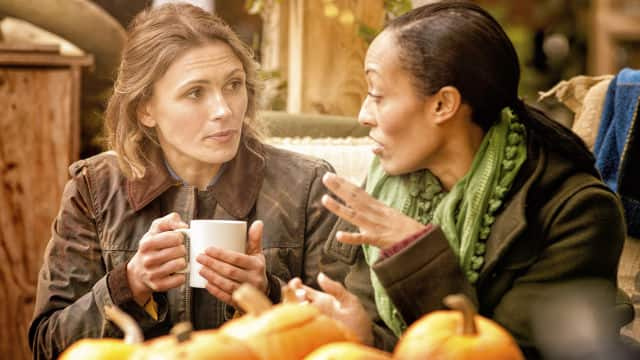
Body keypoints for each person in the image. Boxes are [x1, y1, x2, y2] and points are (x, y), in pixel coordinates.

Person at [288, 1, 627, 357]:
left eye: (377, 95)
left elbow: (507, 353)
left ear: (443, 105)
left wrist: (415, 255)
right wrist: (365, 337)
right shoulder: (389, 188)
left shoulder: (577, 213)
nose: (363, 115)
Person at [28, 4, 336, 358]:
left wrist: (269, 293)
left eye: (234, 85)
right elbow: (47, 345)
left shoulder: (310, 186)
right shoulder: (94, 190)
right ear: (146, 109)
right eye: (195, 93)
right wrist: (129, 285)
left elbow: (352, 339)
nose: (224, 110)